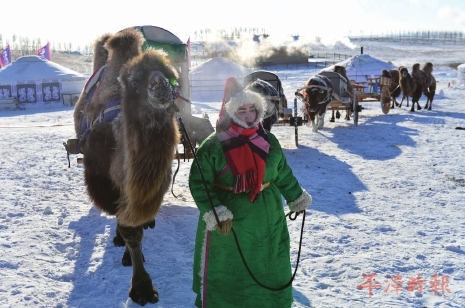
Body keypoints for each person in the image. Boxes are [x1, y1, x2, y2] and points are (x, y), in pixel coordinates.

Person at [188, 81, 312, 308]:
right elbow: (199, 182)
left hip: (268, 220)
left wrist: (296, 197)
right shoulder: (213, 146)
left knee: (270, 266)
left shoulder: (269, 141)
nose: (247, 116)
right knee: (229, 272)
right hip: (228, 224)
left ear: (258, 111)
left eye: (251, 110)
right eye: (241, 111)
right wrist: (216, 213)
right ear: (231, 113)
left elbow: (282, 172)